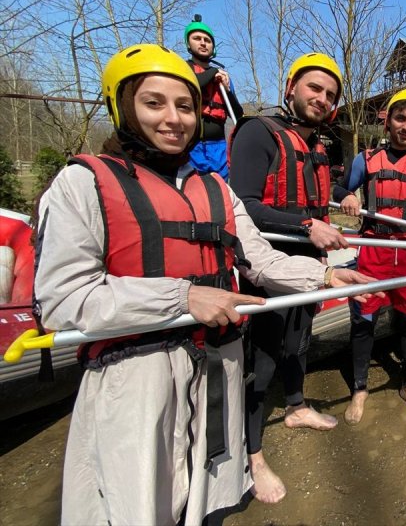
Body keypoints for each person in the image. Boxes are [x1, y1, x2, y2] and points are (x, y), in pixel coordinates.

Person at [34, 44, 375, 525]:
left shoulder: (215, 187)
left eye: (185, 106)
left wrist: (323, 274)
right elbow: (63, 299)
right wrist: (184, 297)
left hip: (216, 365)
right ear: (123, 105)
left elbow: (258, 258)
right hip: (137, 376)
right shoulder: (82, 184)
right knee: (141, 506)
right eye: (154, 103)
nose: (174, 119)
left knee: (209, 499)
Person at [229, 52, 348, 504]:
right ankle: (252, 455)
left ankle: (296, 406)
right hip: (268, 265)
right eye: (314, 88)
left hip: (310, 265)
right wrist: (306, 227)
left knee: (299, 340)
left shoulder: (316, 144)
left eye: (330, 94)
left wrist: (344, 194)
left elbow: (314, 189)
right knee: (262, 359)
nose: (321, 98)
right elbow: (245, 205)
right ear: (292, 86)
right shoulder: (259, 133)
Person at [335, 89, 406, 423]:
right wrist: (349, 193)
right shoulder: (365, 160)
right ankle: (360, 389)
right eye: (400, 118)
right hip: (374, 252)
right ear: (388, 122)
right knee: (363, 323)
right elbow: (337, 189)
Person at [185, 14, 243, 180]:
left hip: (219, 148)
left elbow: (237, 113)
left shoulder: (223, 77)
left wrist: (227, 90)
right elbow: (191, 88)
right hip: (192, 145)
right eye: (197, 38)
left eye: (207, 40)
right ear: (188, 44)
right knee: (194, 190)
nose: (203, 43)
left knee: (222, 191)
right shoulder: (183, 69)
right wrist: (212, 72)